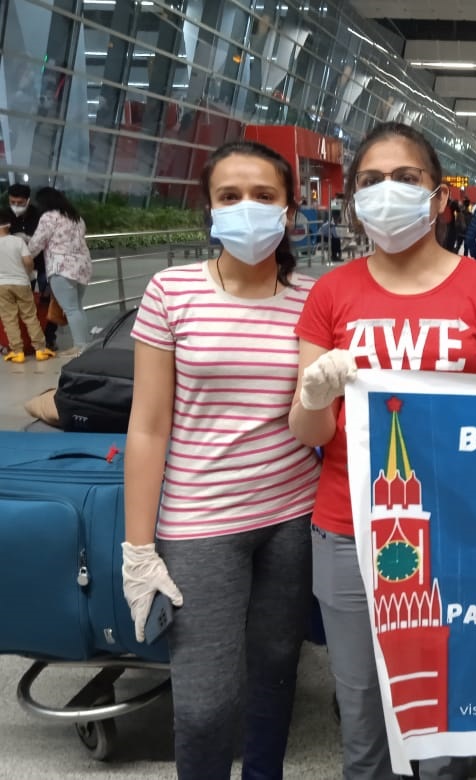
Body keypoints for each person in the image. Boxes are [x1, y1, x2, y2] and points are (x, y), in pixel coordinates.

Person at [288, 121, 476, 780]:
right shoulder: (331, 293)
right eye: (371, 180)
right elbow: (308, 432)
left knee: (445, 708)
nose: (387, 191)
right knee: (362, 711)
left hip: (459, 530)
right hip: (347, 527)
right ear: (353, 198)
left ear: (439, 196)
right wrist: (314, 396)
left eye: (406, 178)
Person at [121, 139, 320, 779]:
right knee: (205, 705)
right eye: (229, 196)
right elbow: (148, 425)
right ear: (208, 209)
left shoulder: (313, 300)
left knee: (275, 678)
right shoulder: (171, 291)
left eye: (263, 195)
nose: (246, 208)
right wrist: (138, 548)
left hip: (293, 513)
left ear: (289, 210)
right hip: (200, 522)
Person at [25, 187, 92, 355]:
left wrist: (24, 256)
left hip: (61, 268)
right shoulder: (76, 217)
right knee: (77, 307)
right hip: (82, 267)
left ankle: (80, 346)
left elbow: (37, 243)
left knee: (71, 309)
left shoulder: (49, 217)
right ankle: (85, 343)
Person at [6, 184, 57, 348]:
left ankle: (48, 337)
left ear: (28, 201)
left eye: (20, 203)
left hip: (41, 266)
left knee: (46, 302)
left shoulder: (40, 215)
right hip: (16, 268)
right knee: (16, 304)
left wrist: (29, 240)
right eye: (12, 202)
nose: (16, 206)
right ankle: (18, 340)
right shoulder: (5, 215)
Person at [0, 208, 53, 363]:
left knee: (9, 319)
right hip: (21, 283)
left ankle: (17, 352)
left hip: (1, 285)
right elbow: (29, 262)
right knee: (30, 316)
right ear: (9, 224)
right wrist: (28, 273)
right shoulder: (18, 241)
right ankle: (40, 350)